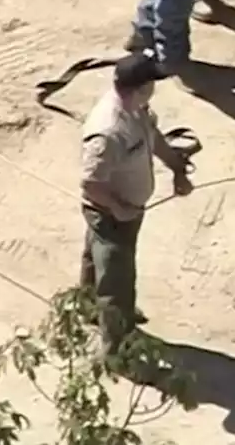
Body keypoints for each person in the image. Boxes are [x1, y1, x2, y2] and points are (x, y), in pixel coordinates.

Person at [79, 51, 194, 355]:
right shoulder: (107, 131)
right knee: (118, 279)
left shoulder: (137, 109)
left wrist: (177, 168)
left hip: (128, 210)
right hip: (111, 214)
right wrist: (119, 209)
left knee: (96, 256)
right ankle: (117, 349)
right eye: (152, 83)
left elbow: (152, 138)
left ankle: (87, 305)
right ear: (140, 88)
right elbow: (91, 184)